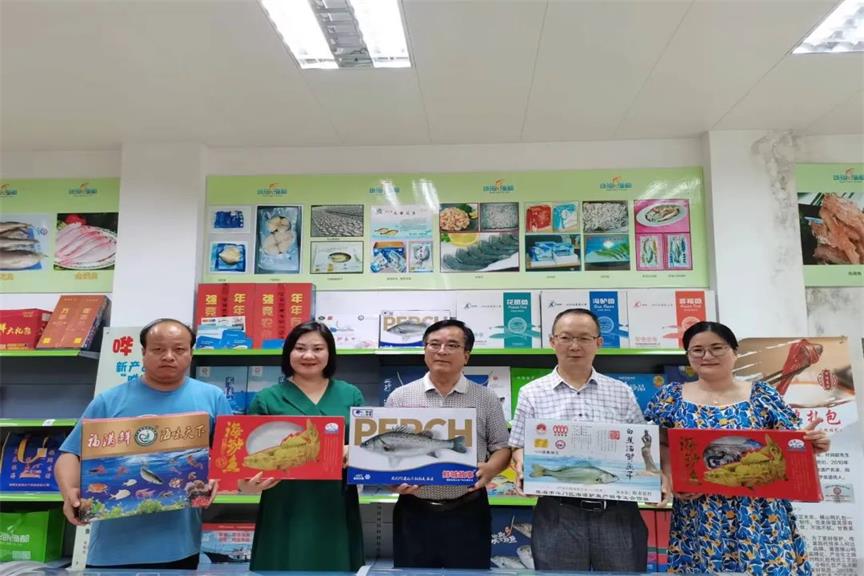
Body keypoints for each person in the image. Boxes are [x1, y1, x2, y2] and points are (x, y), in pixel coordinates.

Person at [645, 321, 830, 574]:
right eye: (697, 350)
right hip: (699, 515)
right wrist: (670, 476)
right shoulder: (670, 397)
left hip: (759, 514)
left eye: (717, 348)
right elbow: (658, 443)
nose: (707, 356)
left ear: (734, 352)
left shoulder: (763, 395)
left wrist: (810, 445)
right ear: (688, 355)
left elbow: (789, 444)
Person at [55, 318, 232, 569]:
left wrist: (216, 478)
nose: (168, 356)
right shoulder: (110, 401)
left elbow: (228, 458)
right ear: (144, 352)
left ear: (191, 353)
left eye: (179, 349)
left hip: (180, 546)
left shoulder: (212, 398)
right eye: (158, 349)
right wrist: (69, 491)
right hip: (111, 549)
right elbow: (70, 454)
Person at [509, 308, 650, 572]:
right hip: (558, 512)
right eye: (566, 338)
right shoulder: (532, 392)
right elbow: (518, 445)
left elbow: (641, 447)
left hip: (617, 511)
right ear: (553, 342)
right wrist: (521, 466)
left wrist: (652, 480)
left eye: (584, 338)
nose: (575, 346)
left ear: (599, 342)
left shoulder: (621, 392)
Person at [238, 321, 365, 572]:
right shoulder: (267, 398)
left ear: (330, 353)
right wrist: (247, 484)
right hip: (283, 500)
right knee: (283, 564)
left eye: (318, 348)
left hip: (334, 501)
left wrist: (354, 451)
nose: (308, 356)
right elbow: (246, 457)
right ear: (289, 353)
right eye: (300, 348)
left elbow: (367, 448)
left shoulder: (350, 394)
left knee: (335, 564)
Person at [385, 319, 511, 569]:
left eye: (452, 345)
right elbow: (389, 447)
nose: (441, 351)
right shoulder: (400, 396)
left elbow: (501, 447)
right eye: (434, 344)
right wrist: (391, 479)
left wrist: (491, 468)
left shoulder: (486, 398)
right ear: (424, 350)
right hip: (413, 510)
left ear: (466, 356)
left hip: (468, 510)